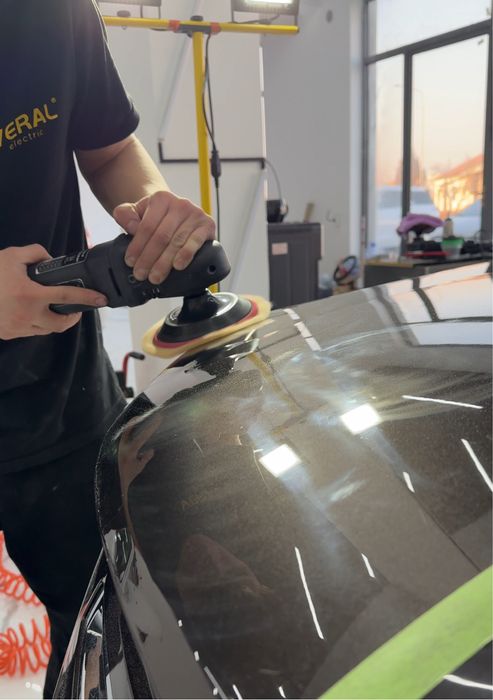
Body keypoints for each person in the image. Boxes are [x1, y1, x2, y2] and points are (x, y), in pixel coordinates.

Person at [0, 1, 215, 696]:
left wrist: (151, 210)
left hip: (63, 396)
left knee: (110, 631)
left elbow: (112, 150)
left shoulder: (54, 13)